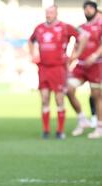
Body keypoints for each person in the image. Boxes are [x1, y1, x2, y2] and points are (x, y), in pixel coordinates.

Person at [28, 5, 88, 140]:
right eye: (47, 12)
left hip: (58, 68)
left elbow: (83, 36)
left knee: (59, 98)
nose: (48, 15)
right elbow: (31, 41)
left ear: (56, 13)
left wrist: (76, 54)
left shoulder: (65, 27)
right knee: (44, 98)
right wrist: (32, 54)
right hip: (43, 68)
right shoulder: (39, 28)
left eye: (51, 12)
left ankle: (60, 131)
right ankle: (46, 130)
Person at [67, 1, 102, 139]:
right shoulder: (80, 28)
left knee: (96, 95)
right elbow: (76, 46)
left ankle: (99, 127)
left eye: (90, 8)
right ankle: (82, 120)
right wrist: (72, 58)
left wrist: (94, 56)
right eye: (85, 8)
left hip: (96, 64)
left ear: (95, 10)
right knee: (68, 89)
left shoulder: (100, 26)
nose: (87, 10)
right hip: (81, 65)